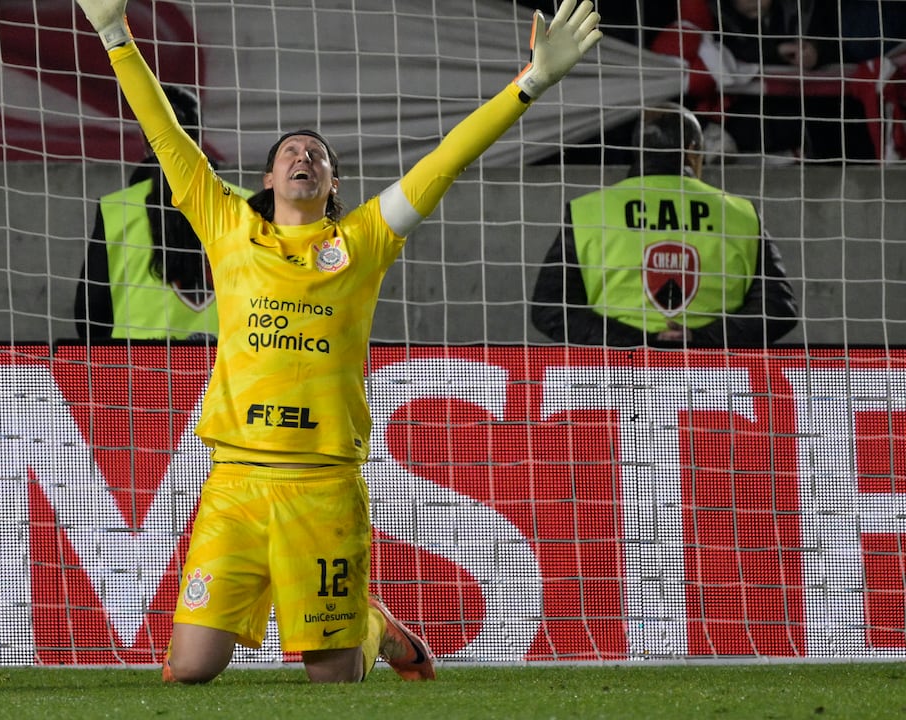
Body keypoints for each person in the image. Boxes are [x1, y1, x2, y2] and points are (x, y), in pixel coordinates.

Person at [73, 0, 602, 683]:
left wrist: (529, 83)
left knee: (334, 682)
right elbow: (167, 134)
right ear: (266, 179)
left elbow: (448, 157)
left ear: (334, 183)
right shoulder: (227, 226)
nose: (304, 155)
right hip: (236, 481)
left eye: (317, 153)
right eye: (290, 151)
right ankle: (321, 604)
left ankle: (371, 622)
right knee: (189, 670)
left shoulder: (363, 242)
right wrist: (115, 34)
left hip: (323, 485)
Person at [529, 102, 798, 347]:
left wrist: (640, 342)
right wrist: (701, 339)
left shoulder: (587, 212)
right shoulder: (741, 214)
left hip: (616, 378)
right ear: (693, 150)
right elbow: (778, 308)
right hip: (715, 379)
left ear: (637, 151)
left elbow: (550, 308)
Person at [75, 85, 228, 340]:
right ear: (200, 136)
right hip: (233, 367)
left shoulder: (117, 210)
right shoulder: (245, 203)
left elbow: (90, 313)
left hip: (140, 369)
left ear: (145, 138)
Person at [650, 0, 874, 161]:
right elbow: (716, 59)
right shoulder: (706, 16)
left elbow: (845, 52)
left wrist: (817, 52)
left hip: (805, 134)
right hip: (738, 131)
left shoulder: (801, 10)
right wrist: (773, 52)